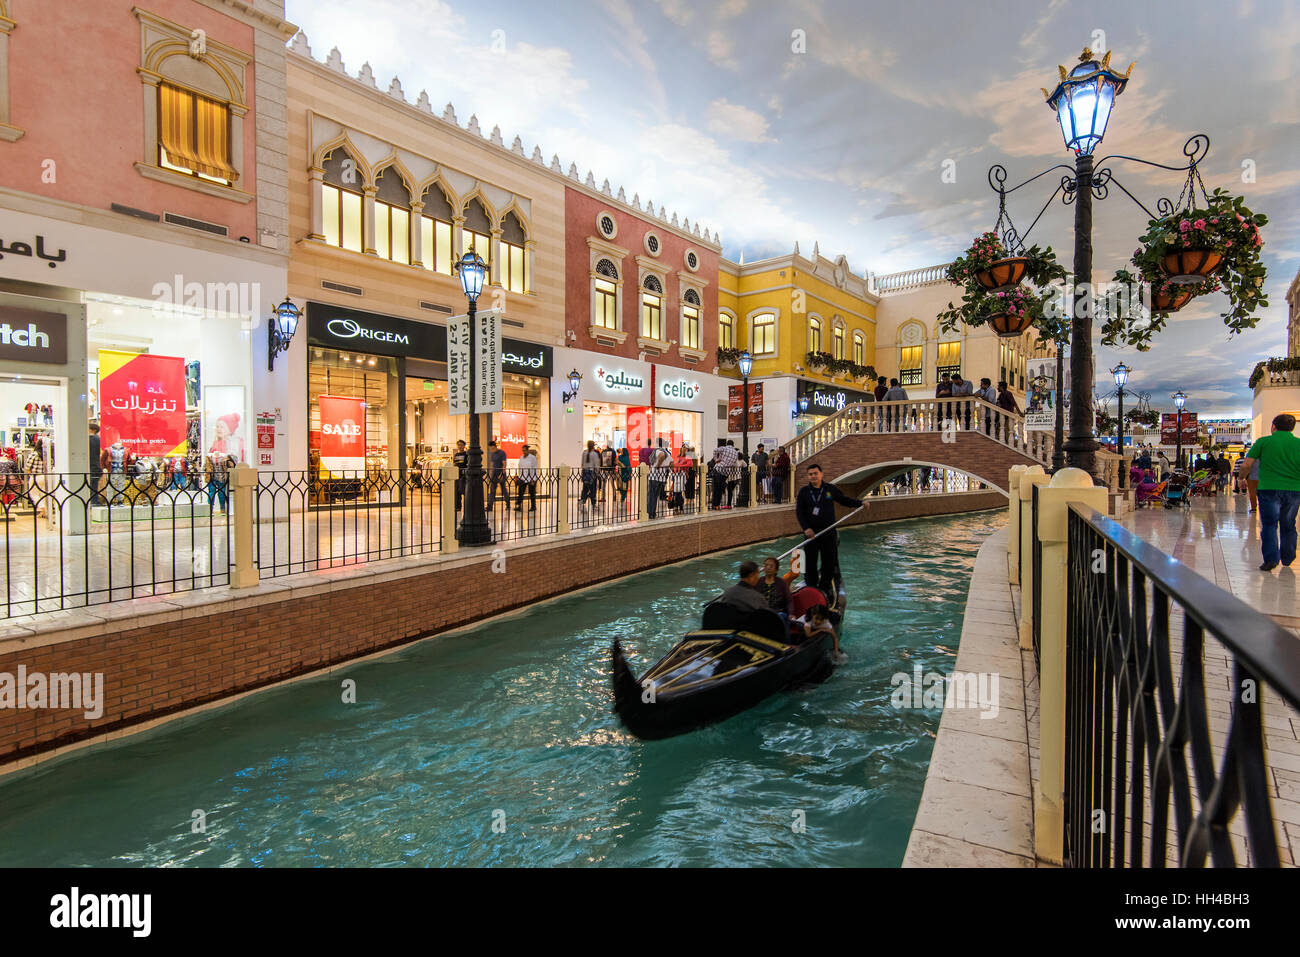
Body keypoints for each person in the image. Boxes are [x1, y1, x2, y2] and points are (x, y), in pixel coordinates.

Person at [795, 462, 864, 600]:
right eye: (810, 474)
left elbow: (844, 500)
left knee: (829, 561)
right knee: (810, 563)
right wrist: (806, 528)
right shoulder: (803, 492)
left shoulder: (830, 489)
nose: (813, 476)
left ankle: (825, 588)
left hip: (828, 532)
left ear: (821, 474)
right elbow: (799, 512)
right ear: (808, 477)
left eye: (815, 473)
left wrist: (860, 503)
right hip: (811, 534)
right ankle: (811, 588)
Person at [1245, 414, 1300, 571]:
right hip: (1294, 489)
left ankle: (1271, 560)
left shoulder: (1263, 442)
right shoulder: (1298, 444)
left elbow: (1247, 464)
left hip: (1268, 489)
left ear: (1274, 426)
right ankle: (1288, 558)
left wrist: (1242, 478)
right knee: (1289, 523)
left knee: (1269, 524)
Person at [647, 440, 671, 518]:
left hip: (654, 476)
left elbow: (661, 455)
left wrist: (658, 465)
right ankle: (652, 513)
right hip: (661, 477)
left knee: (651, 496)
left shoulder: (658, 450)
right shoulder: (667, 452)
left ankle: (650, 513)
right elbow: (672, 463)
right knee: (655, 496)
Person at [711, 439, 738, 509]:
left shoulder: (724, 448)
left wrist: (716, 459)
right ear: (733, 445)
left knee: (715, 488)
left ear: (727, 443)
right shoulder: (736, 452)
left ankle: (714, 505)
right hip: (726, 473)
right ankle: (717, 505)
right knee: (720, 489)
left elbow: (715, 450)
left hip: (718, 469)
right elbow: (735, 464)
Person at [515, 445, 539, 511]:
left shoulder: (533, 458)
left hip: (531, 478)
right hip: (522, 478)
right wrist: (519, 477)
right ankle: (519, 506)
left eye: (525, 450)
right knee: (520, 493)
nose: (523, 452)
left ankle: (533, 506)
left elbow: (535, 468)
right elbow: (519, 468)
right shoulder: (521, 458)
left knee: (532, 493)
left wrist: (533, 479)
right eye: (522, 450)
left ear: (528, 450)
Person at [486, 440, 508, 508]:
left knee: (503, 489)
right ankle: (490, 505)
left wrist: (502, 473)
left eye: (492, 448)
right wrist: (490, 474)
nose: (491, 450)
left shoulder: (502, 453)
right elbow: (492, 464)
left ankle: (508, 504)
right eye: (490, 449)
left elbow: (504, 463)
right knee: (492, 490)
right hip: (494, 474)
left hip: (501, 474)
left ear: (495, 446)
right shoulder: (492, 454)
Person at [580, 440, 601, 510]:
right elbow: (596, 465)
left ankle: (582, 501)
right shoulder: (594, 454)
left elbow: (582, 463)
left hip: (585, 472)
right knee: (593, 489)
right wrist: (597, 473)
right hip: (592, 473)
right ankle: (593, 504)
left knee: (585, 488)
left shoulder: (584, 453)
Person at [88, 422, 104, 506]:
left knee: (92, 486)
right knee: (93, 486)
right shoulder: (98, 439)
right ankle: (94, 502)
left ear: (92, 430)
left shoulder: (90, 439)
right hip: (96, 466)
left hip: (92, 466)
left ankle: (94, 503)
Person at [452, 439, 468, 512]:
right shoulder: (456, 455)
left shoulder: (466, 454)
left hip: (463, 475)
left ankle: (466, 506)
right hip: (456, 474)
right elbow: (454, 463)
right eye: (459, 445)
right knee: (457, 492)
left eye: (461, 445)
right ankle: (458, 506)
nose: (460, 446)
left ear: (464, 446)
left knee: (464, 490)